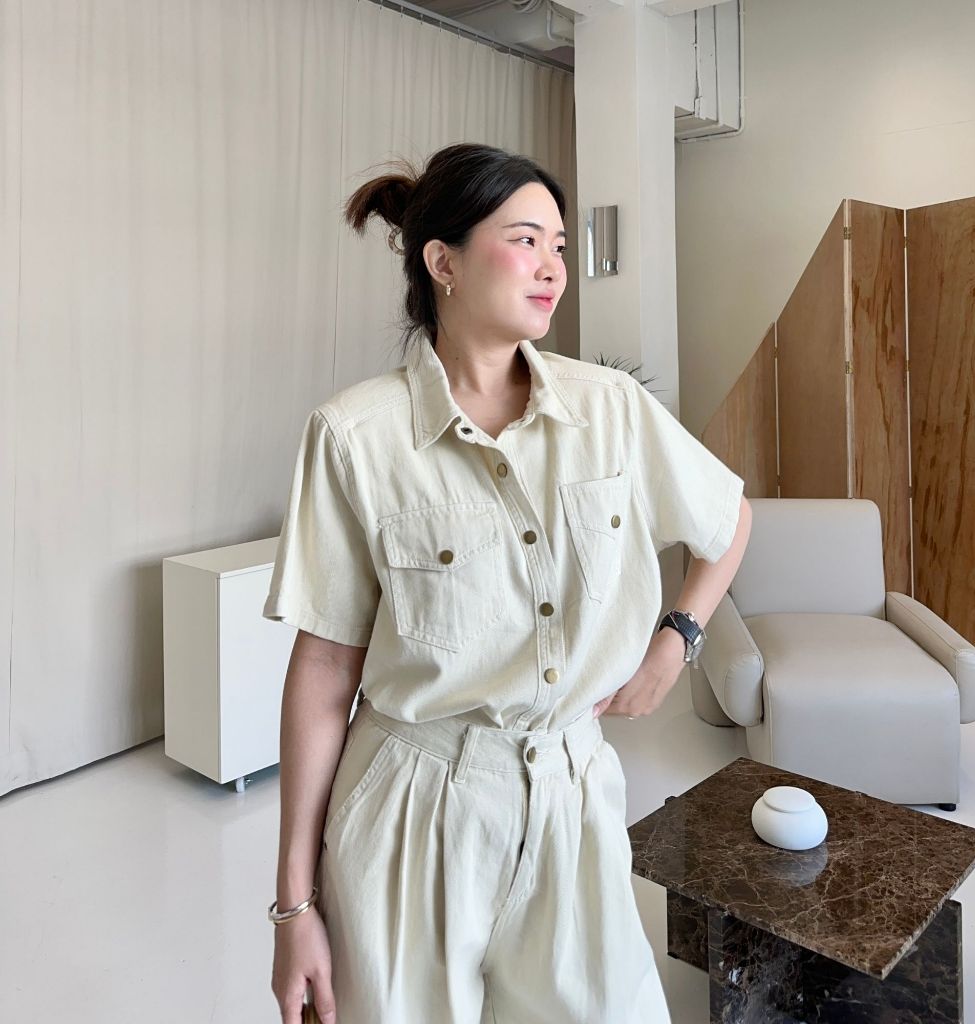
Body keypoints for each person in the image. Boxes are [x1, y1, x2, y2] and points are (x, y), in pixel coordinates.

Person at [263, 142, 752, 1024]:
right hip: (411, 806)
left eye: (558, 246)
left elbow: (728, 520)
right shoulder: (355, 437)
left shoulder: (610, 408)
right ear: (442, 262)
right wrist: (293, 908)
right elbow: (326, 668)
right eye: (525, 240)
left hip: (573, 791)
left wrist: (674, 644)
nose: (553, 268)